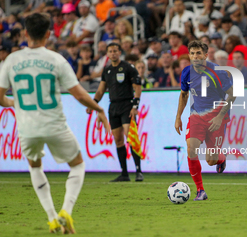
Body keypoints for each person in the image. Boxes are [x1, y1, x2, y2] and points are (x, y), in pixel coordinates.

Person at [0, 13, 110, 233]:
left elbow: (0, 98)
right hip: (55, 125)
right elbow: (79, 94)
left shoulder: (11, 60)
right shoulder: (56, 59)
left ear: (25, 33)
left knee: (35, 166)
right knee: (78, 164)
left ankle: (51, 218)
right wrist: (99, 109)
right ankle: (65, 211)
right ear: (48, 34)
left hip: (27, 128)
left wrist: (17, 102)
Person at [175, 40, 236, 201]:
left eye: (199, 53)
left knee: (211, 160)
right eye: (193, 53)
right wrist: (178, 117)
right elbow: (184, 94)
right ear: (189, 55)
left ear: (205, 55)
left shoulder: (218, 72)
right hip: (196, 116)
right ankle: (200, 190)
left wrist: (220, 116)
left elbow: (233, 94)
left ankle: (221, 158)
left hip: (216, 117)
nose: (195, 56)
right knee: (191, 149)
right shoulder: (187, 72)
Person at [87, 43, 144, 182]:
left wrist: (135, 106)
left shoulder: (128, 68)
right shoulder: (106, 70)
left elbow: (137, 87)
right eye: (110, 51)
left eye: (115, 51)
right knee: (118, 140)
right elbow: (101, 90)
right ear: (107, 54)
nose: (113, 53)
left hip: (127, 105)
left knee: (129, 137)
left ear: (120, 52)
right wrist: (93, 104)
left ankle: (138, 171)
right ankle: (124, 173)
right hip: (113, 107)